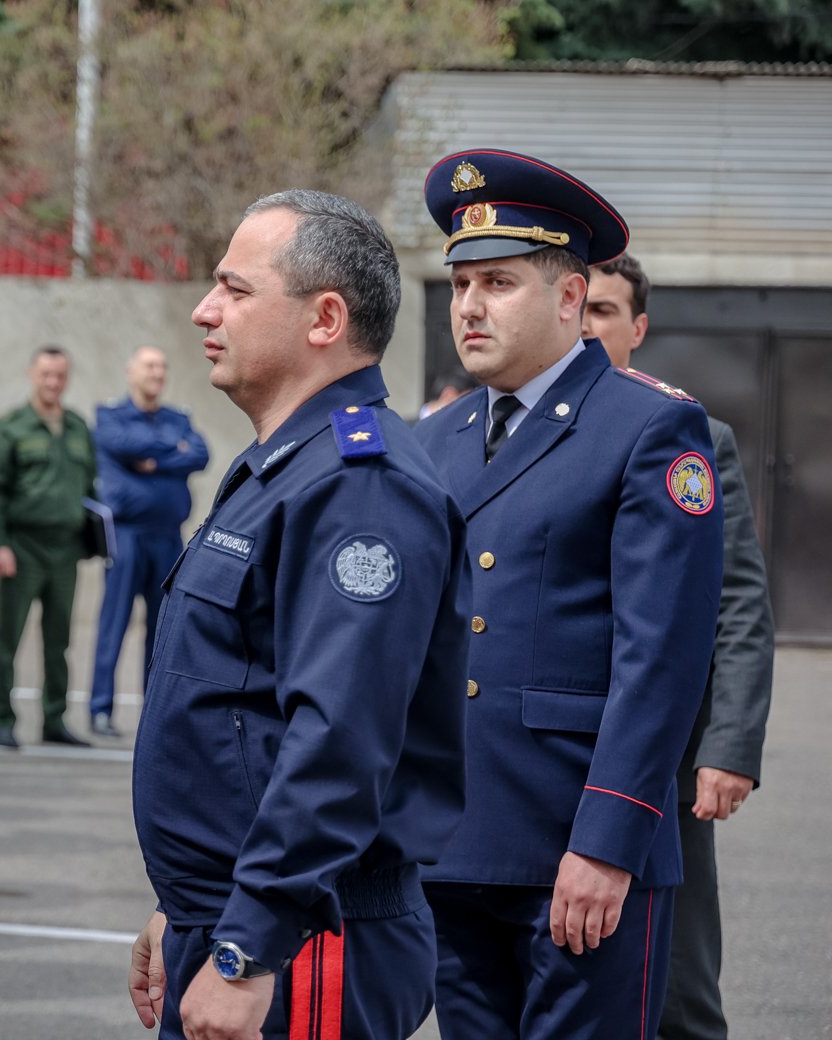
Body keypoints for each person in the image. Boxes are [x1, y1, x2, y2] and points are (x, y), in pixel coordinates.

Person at [127, 189, 470, 1040]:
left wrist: (249, 944)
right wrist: (186, 903)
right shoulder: (284, 467)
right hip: (245, 917)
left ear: (325, 319)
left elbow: (338, 739)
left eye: (236, 290)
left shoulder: (359, 486)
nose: (205, 310)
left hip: (307, 937)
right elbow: (239, 712)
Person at [413, 149, 724, 1040]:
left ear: (569, 297)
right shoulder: (433, 439)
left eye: (498, 282)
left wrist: (606, 841)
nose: (469, 307)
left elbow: (661, 659)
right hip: (453, 849)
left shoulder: (649, 426)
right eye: (460, 284)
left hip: (576, 849)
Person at [582, 254, 775, 1040]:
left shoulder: (689, 435)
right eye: (578, 307)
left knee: (676, 985)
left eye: (604, 311)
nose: (586, 326)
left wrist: (728, 744)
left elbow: (737, 600)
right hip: (536, 752)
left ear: (638, 328)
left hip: (660, 758)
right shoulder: (500, 431)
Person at [90, 346, 209, 738]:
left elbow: (201, 454)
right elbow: (121, 445)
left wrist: (153, 460)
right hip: (127, 536)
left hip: (168, 537)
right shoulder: (110, 416)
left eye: (162, 366)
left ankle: (153, 712)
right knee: (114, 623)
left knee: (163, 629)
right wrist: (173, 450)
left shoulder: (179, 418)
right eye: (149, 366)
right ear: (131, 371)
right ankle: (100, 709)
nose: (157, 373)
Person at [0, 345, 97, 749]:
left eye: (60, 375)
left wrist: (93, 539)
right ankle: (2, 718)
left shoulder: (78, 427)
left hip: (65, 549)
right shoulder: (11, 426)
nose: (53, 382)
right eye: (46, 374)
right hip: (23, 545)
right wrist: (0, 545)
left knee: (59, 639)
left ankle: (54, 718)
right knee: (8, 637)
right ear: (32, 375)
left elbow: (90, 487)